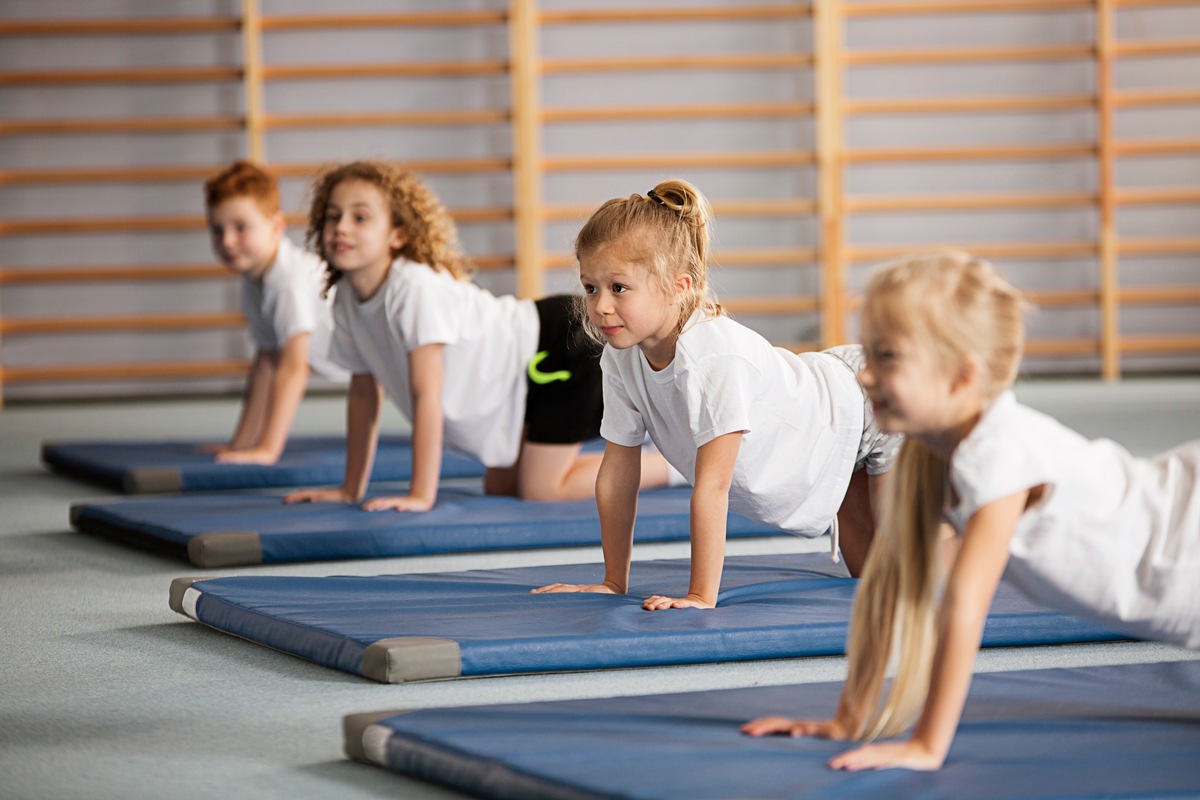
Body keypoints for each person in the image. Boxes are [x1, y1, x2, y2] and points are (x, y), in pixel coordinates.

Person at [741, 250, 1200, 771]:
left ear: (961, 376)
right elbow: (892, 588)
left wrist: (927, 745)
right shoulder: (925, 454)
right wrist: (849, 719)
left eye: (887, 357)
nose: (864, 377)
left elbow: (964, 605)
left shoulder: (998, 452)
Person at [533, 179, 899, 610]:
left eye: (619, 288)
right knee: (871, 583)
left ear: (679, 286)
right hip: (830, 427)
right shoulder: (619, 358)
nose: (599, 307)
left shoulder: (712, 359)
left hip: (868, 403)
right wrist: (614, 582)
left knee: (909, 561)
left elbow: (713, 486)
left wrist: (700, 595)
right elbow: (617, 473)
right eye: (590, 287)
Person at [283, 160, 668, 512]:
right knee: (502, 487)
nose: (342, 228)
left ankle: (669, 467)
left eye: (360, 217)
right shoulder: (346, 297)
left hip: (558, 347)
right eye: (333, 217)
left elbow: (426, 396)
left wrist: (421, 494)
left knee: (542, 489)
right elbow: (365, 392)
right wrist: (351, 489)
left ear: (398, 234)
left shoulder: (413, 288)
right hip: (518, 381)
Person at [203, 160, 348, 465]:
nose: (228, 241)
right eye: (217, 230)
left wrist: (268, 449)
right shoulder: (254, 279)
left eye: (241, 227)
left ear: (276, 227)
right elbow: (267, 362)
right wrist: (241, 443)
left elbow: (294, 369)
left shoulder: (287, 282)